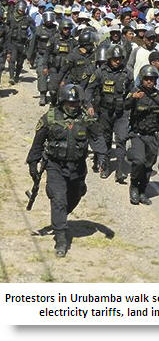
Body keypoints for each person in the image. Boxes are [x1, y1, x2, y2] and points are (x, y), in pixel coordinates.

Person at [26, 84, 107, 257]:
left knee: (75, 196)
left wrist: (102, 156)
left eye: (76, 103)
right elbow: (38, 141)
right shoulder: (50, 118)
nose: (73, 106)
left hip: (77, 168)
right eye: (70, 103)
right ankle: (61, 239)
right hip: (55, 166)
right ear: (62, 102)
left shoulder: (86, 118)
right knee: (59, 199)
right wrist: (33, 162)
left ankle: (60, 215)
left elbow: (97, 137)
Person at [84, 44, 133, 183]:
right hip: (104, 112)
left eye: (120, 59)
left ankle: (119, 170)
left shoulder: (127, 72)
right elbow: (89, 90)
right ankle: (104, 166)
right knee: (105, 139)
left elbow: (131, 89)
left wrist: (133, 97)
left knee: (122, 139)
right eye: (115, 59)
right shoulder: (100, 72)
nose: (118, 61)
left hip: (121, 112)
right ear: (110, 58)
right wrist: (89, 105)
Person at [125, 65, 159, 205]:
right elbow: (123, 106)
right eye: (147, 79)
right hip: (137, 134)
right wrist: (133, 98)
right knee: (139, 161)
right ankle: (134, 186)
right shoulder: (135, 93)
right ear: (142, 80)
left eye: (152, 79)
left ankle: (142, 191)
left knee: (149, 164)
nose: (149, 82)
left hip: (152, 135)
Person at [27, 11, 57, 105]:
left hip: (53, 56)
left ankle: (54, 96)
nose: (48, 20)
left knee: (54, 76)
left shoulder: (56, 29)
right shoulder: (39, 29)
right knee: (41, 74)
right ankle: (43, 95)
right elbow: (33, 44)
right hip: (42, 55)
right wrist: (30, 56)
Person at [7, 0, 34, 84]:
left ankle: (17, 76)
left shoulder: (27, 18)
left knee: (20, 62)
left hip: (23, 43)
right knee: (12, 60)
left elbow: (34, 29)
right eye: (19, 10)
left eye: (22, 11)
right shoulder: (11, 17)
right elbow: (6, 29)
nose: (21, 12)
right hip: (13, 42)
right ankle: (11, 77)